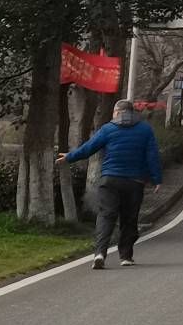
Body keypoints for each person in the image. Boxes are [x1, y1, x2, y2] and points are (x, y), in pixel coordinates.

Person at [62, 99, 163, 271]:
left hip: (110, 180)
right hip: (134, 182)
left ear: (117, 112)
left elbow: (89, 148)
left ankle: (100, 253)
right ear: (132, 112)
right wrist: (157, 179)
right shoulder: (145, 129)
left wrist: (69, 157)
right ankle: (126, 256)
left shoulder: (108, 129)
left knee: (106, 216)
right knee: (129, 218)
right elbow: (152, 156)